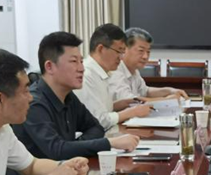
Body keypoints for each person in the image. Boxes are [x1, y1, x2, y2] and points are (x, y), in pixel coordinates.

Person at [15, 31, 140, 159]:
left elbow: (96, 127)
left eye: (81, 61)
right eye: (74, 61)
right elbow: (56, 150)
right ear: (50, 67)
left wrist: (73, 146)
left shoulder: (68, 96)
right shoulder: (33, 103)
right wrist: (108, 143)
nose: (81, 68)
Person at [74, 23, 153, 133]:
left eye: (123, 52)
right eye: (119, 51)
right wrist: (133, 112)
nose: (121, 57)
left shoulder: (103, 73)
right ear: (101, 49)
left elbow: (102, 109)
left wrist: (122, 104)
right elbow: (99, 120)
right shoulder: (86, 75)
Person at [108, 27, 188, 110]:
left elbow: (146, 91)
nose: (145, 56)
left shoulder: (134, 70)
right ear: (124, 49)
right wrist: (167, 101)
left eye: (148, 52)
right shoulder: (115, 70)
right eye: (141, 51)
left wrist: (169, 91)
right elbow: (130, 102)